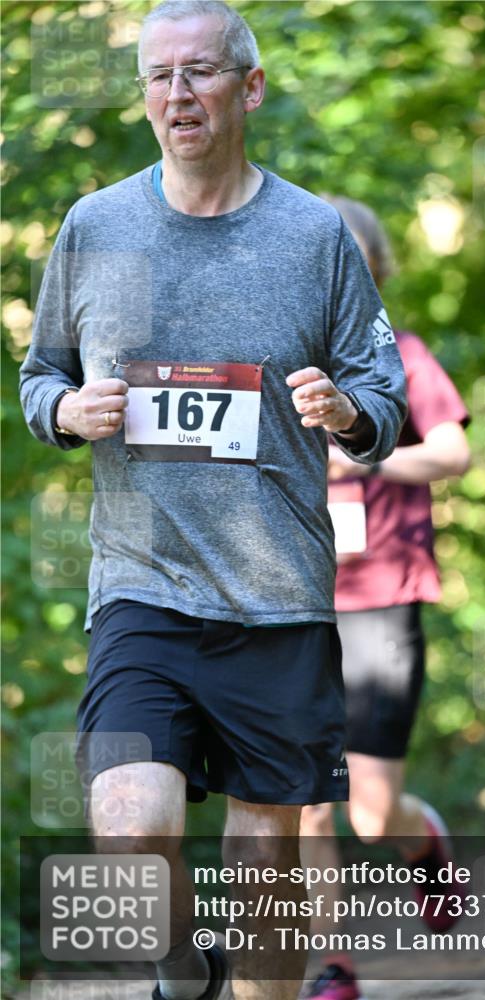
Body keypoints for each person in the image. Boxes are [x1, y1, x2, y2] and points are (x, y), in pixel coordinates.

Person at [19, 4, 406, 1000]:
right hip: (140, 588)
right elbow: (38, 375)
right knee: (127, 823)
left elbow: (385, 387)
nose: (177, 95)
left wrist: (347, 411)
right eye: (158, 76)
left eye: (198, 72)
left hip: (276, 597)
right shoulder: (96, 226)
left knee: (265, 872)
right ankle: (183, 976)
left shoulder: (313, 234)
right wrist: (67, 408)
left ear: (250, 86)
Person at [299, 197, 471, 1000]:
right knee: (303, 807)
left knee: (369, 813)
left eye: (351, 265)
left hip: (379, 597)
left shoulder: (400, 354)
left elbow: (451, 452)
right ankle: (334, 968)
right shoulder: (279, 363)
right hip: (287, 604)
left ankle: (424, 842)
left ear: (374, 270)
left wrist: (364, 461)